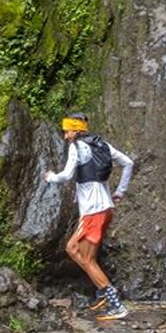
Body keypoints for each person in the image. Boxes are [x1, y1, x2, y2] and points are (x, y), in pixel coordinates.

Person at [44, 112, 134, 320]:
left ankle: (115, 303)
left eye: (67, 131)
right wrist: (120, 191)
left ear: (76, 130)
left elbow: (66, 175)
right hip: (105, 208)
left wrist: (50, 177)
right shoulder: (102, 145)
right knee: (76, 251)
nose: (66, 136)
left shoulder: (77, 147)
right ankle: (103, 291)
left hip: (93, 211)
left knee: (83, 256)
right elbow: (128, 163)